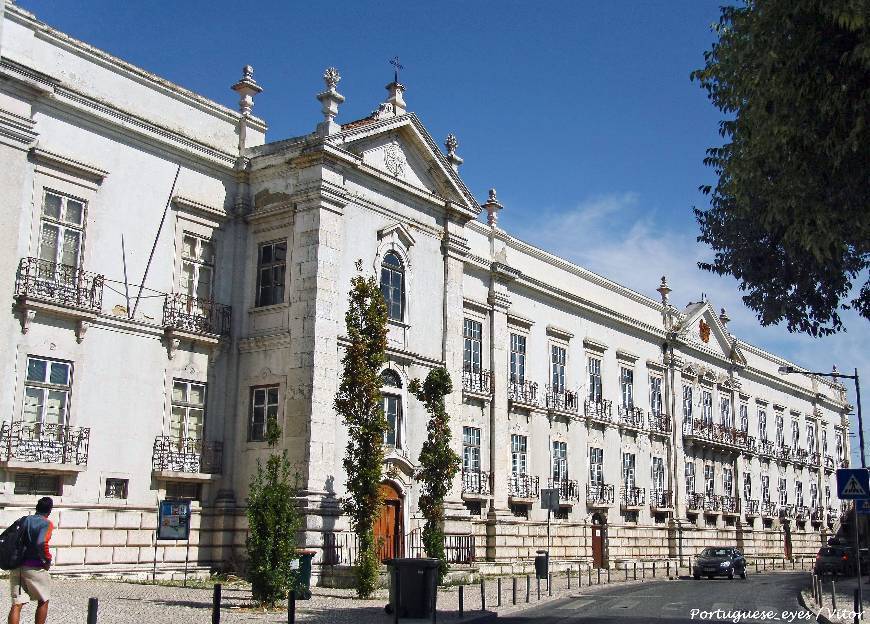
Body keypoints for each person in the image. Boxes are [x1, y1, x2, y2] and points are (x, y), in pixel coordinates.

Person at [8, 497, 53, 624]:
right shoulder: (46, 523)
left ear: (36, 508)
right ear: (49, 510)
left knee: (17, 603)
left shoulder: (24, 520)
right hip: (35, 567)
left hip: (16, 566)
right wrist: (47, 560)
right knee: (43, 600)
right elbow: (41, 542)